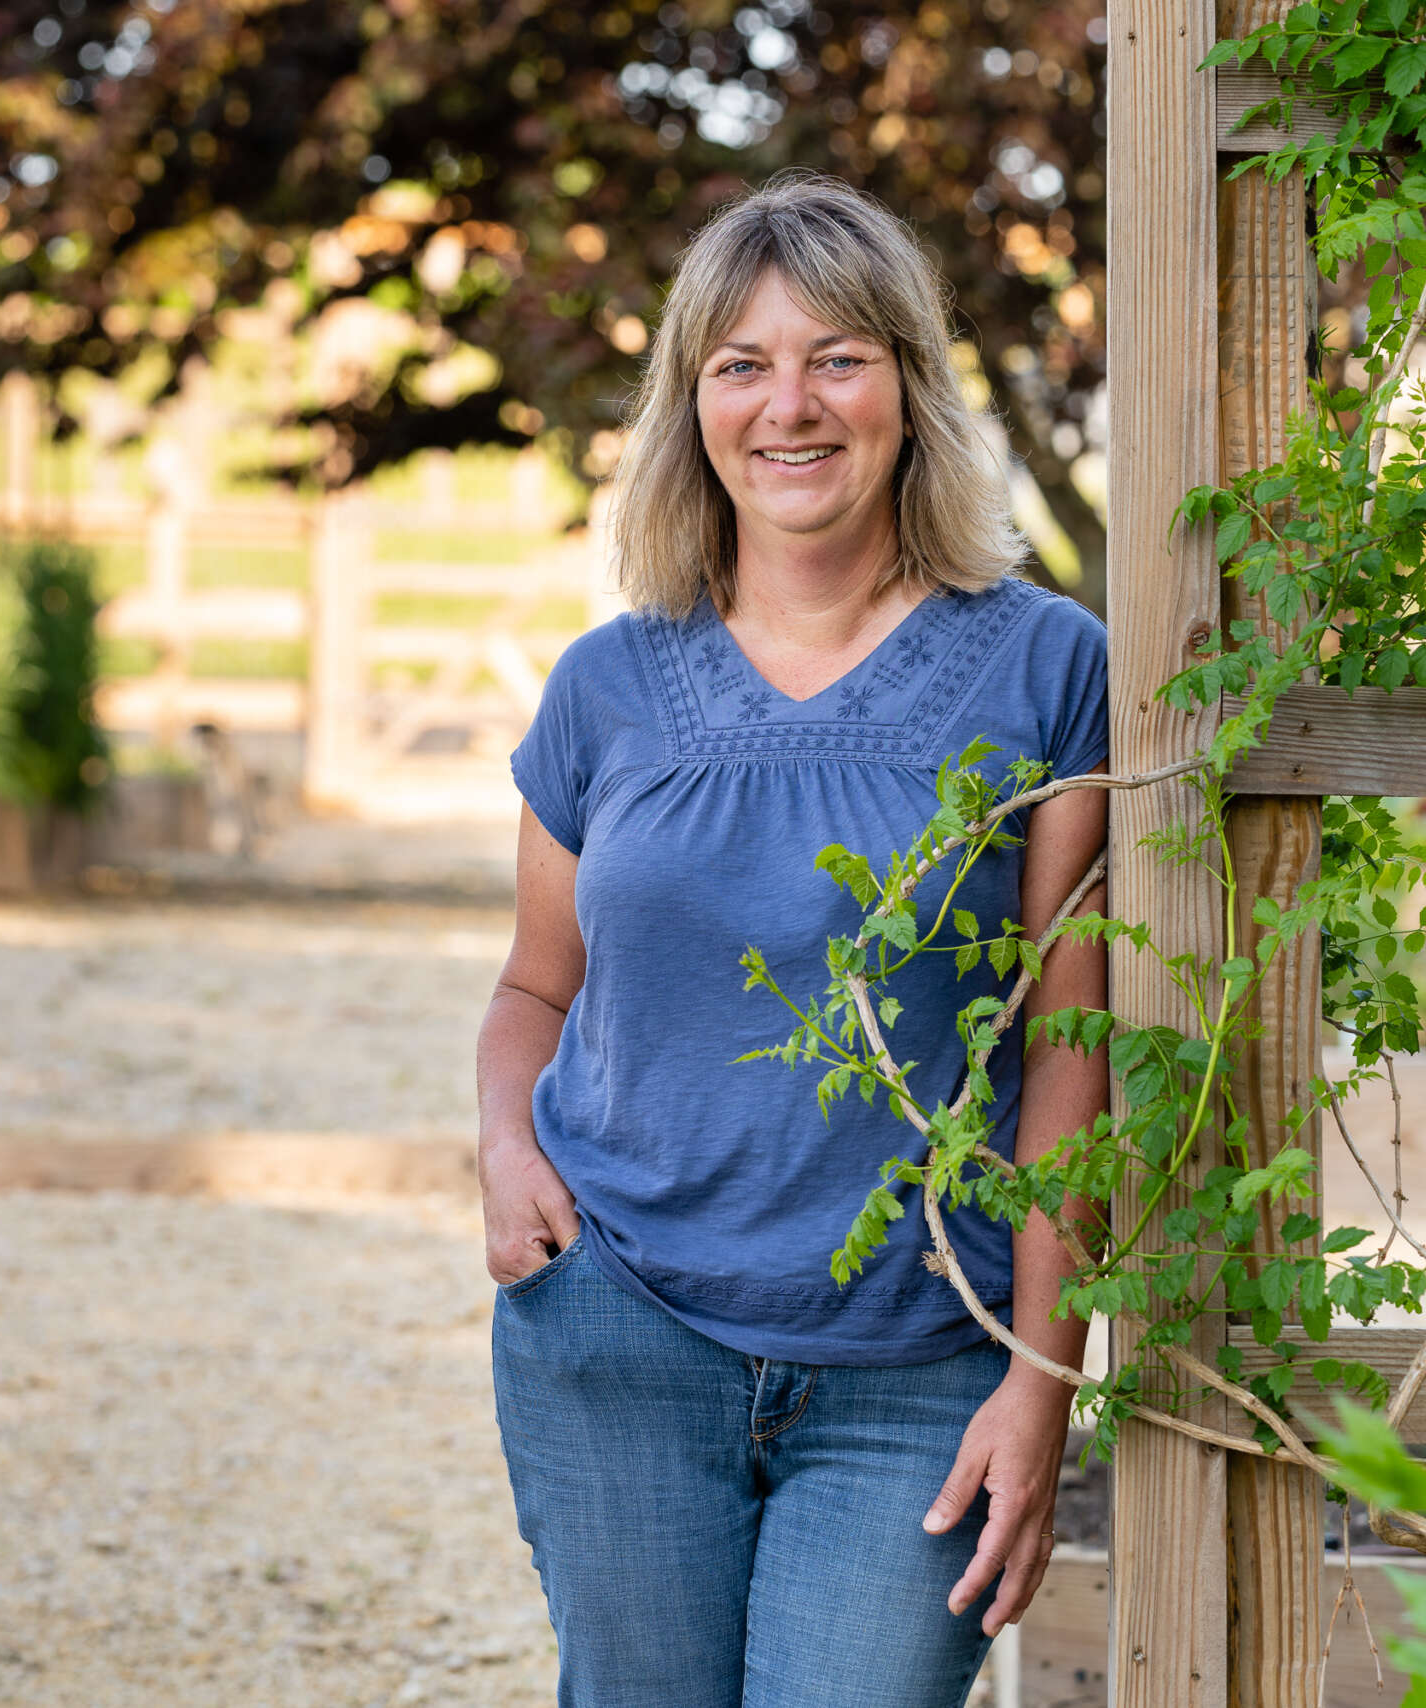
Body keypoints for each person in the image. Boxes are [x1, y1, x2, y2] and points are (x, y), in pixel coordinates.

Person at [476, 172, 1110, 1708]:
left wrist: (1042, 1376)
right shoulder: (607, 686)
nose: (790, 406)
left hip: (919, 1364)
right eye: (740, 366)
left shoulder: (1049, 668)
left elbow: (1067, 1047)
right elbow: (531, 988)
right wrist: (504, 1148)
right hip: (618, 1339)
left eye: (837, 356)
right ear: (693, 405)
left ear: (908, 382)